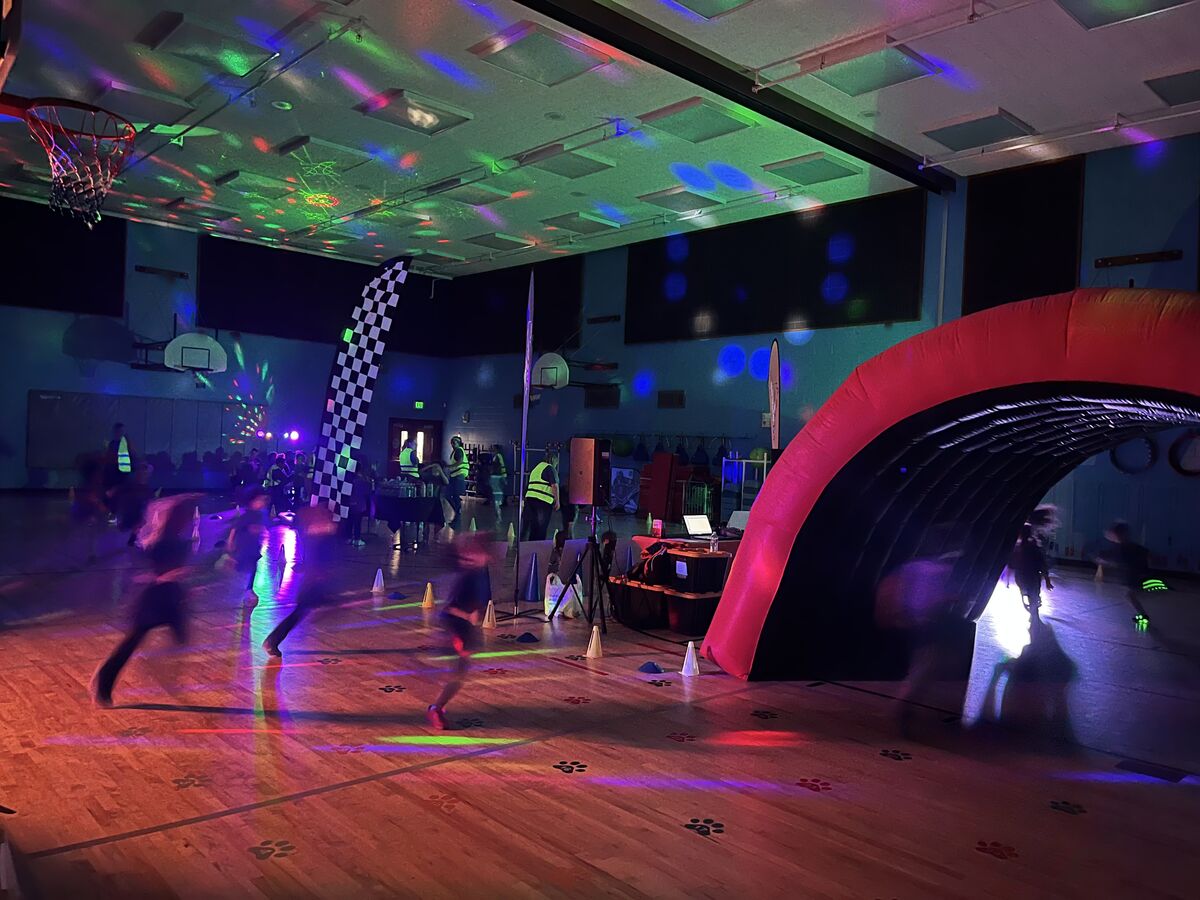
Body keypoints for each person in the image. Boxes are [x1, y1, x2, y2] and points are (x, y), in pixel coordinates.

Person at [93, 495, 197, 707]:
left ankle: (161, 674)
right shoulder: (161, 541)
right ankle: (104, 681)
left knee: (181, 638)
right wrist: (173, 574)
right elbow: (157, 566)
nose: (190, 519)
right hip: (154, 597)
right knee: (132, 641)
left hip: (172, 595)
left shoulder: (180, 539)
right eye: (186, 515)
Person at [426, 533, 493, 729]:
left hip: (462, 630)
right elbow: (448, 608)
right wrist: (467, 617)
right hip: (455, 629)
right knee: (457, 674)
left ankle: (438, 706)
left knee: (459, 674)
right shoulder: (465, 577)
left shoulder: (476, 574)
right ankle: (436, 708)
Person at [262, 506, 339, 657]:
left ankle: (273, 641)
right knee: (299, 613)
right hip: (313, 585)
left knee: (304, 611)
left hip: (314, 583)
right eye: (327, 521)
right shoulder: (319, 540)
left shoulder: (318, 539)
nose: (332, 524)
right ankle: (272, 641)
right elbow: (319, 562)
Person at [1095, 521, 1152, 626]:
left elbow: (1115, 561)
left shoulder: (1122, 548)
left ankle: (1143, 616)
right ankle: (1143, 615)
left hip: (1134, 577)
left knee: (1130, 595)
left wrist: (1103, 562)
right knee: (1130, 595)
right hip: (1136, 576)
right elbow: (1146, 554)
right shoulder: (1129, 546)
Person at [228, 489, 270, 602]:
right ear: (252, 502)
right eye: (259, 500)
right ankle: (233, 565)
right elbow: (235, 528)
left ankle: (249, 589)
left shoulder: (259, 515)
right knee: (245, 566)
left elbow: (262, 527)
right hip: (245, 546)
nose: (262, 502)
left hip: (253, 546)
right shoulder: (248, 515)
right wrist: (230, 542)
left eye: (263, 500)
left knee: (253, 567)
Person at [1010, 523, 1052, 622]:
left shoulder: (1018, 547)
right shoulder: (1034, 547)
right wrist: (1047, 580)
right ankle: (1034, 611)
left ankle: (1033, 609)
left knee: (1029, 594)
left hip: (1022, 577)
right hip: (1033, 577)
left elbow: (1011, 564)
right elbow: (1042, 564)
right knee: (1033, 594)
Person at [114, 463, 154, 547]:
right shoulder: (128, 487)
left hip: (137, 519)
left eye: (145, 473)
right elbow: (121, 501)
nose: (142, 474)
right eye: (140, 472)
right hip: (127, 518)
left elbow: (148, 504)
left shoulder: (148, 490)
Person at [522, 449, 559, 541]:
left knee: (534, 527)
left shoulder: (536, 468)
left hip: (530, 500)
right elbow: (554, 486)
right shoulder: (550, 468)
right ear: (553, 460)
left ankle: (531, 546)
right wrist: (557, 501)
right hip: (542, 501)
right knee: (541, 528)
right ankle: (539, 548)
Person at [103, 423, 134, 519]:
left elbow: (132, 455)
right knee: (113, 492)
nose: (120, 433)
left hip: (125, 472)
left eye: (121, 431)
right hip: (115, 472)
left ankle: (122, 513)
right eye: (118, 431)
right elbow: (109, 458)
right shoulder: (113, 444)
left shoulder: (127, 443)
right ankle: (113, 512)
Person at [446, 435, 469, 528]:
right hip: (455, 475)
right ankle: (457, 510)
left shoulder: (459, 450)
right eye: (451, 442)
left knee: (453, 494)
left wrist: (449, 467)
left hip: (458, 475)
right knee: (451, 494)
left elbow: (459, 462)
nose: (452, 444)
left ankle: (457, 512)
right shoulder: (455, 451)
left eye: (454, 442)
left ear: (457, 443)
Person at [489, 444, 507, 509]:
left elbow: (496, 465)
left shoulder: (497, 456)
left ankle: (501, 502)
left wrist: (493, 473)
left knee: (499, 489)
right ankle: (503, 501)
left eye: (493, 448)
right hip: (502, 474)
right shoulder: (499, 456)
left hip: (500, 474)